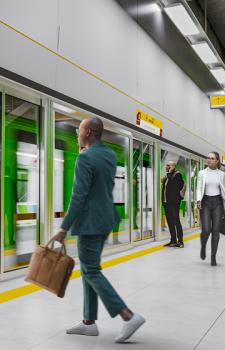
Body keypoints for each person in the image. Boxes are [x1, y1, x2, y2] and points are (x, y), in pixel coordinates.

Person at [54, 117, 145, 343]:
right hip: (105, 219)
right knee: (88, 268)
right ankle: (88, 322)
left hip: (90, 222)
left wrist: (63, 228)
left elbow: (79, 196)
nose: (77, 132)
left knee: (91, 270)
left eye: (80, 129)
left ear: (90, 132)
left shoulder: (85, 158)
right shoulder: (109, 155)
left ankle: (128, 315)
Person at [195, 151, 225, 266]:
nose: (209, 160)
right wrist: (198, 200)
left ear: (217, 161)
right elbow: (199, 188)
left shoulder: (221, 174)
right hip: (205, 202)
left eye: (212, 158)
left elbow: (224, 191)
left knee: (216, 230)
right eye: (208, 157)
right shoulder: (201, 173)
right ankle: (203, 246)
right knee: (206, 229)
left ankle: (213, 256)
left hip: (218, 203)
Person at [162, 161, 185, 248]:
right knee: (170, 222)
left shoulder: (177, 175)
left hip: (174, 203)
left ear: (173, 166)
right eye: (166, 165)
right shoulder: (167, 176)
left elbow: (177, 186)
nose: (166, 166)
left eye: (168, 165)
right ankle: (173, 241)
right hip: (166, 203)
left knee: (176, 221)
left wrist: (170, 173)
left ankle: (180, 241)